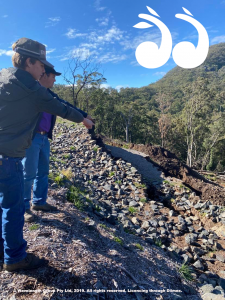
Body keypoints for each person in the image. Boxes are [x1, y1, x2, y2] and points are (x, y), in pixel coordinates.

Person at [0, 37, 94, 272]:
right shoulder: (32, 89)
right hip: (8, 158)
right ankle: (15, 258)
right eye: (41, 64)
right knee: (12, 208)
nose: (44, 69)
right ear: (29, 62)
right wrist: (83, 119)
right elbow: (60, 107)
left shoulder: (3, 76)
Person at [23, 66, 94, 222]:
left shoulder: (49, 95)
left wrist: (83, 114)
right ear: (44, 75)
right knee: (28, 174)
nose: (55, 79)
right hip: (32, 138)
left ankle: (39, 202)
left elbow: (64, 105)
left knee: (43, 172)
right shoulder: (34, 92)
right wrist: (82, 119)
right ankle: (24, 208)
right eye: (53, 76)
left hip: (44, 138)